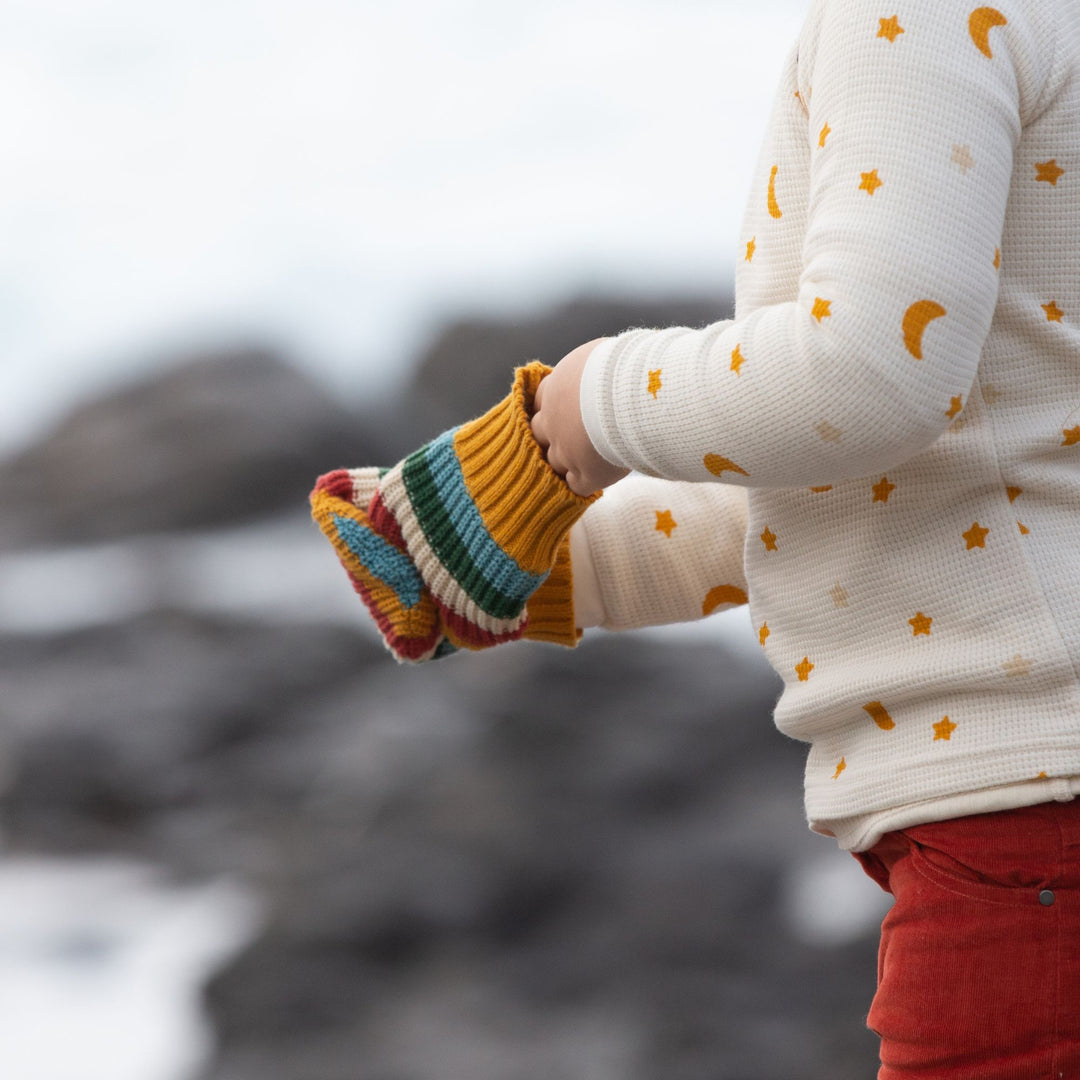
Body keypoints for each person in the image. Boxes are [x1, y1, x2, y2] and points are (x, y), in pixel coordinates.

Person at [313, 1, 1079, 1075]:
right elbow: (909, 470)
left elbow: (870, 376)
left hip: (1028, 829)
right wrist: (541, 563)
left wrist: (580, 411)